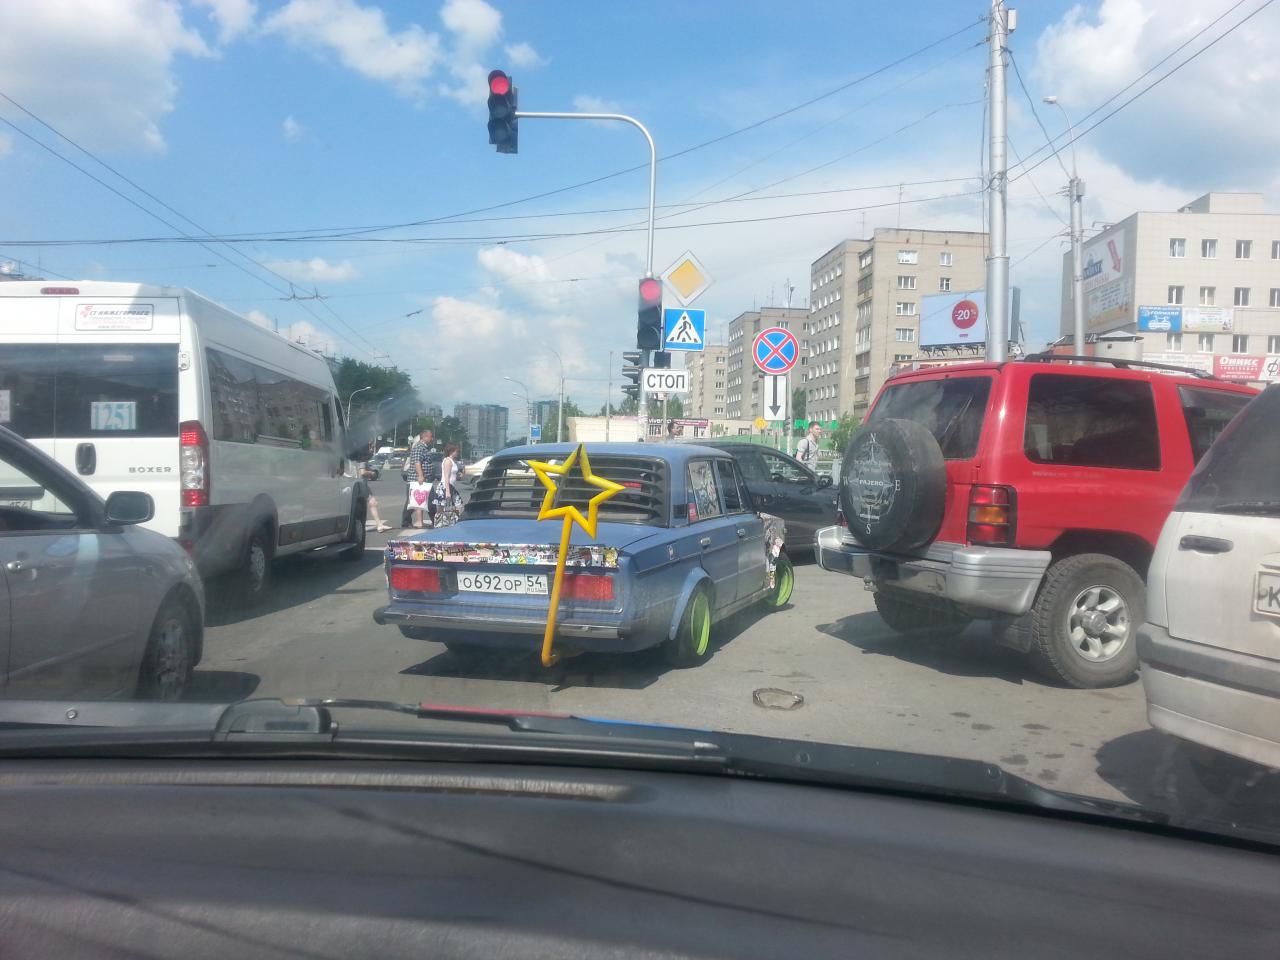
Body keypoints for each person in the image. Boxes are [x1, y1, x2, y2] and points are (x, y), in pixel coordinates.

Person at [403, 428, 439, 529]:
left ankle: (435, 521)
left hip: (426, 480)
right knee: (413, 501)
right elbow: (417, 462)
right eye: (431, 436)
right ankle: (406, 522)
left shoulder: (424, 447)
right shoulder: (419, 447)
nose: (432, 439)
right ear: (424, 437)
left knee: (430, 500)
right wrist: (420, 476)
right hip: (418, 480)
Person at [431, 443, 464, 529]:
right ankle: (439, 525)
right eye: (456, 451)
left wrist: (459, 476)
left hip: (451, 486)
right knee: (441, 508)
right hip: (445, 487)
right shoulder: (447, 461)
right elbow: (446, 476)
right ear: (451, 451)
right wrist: (447, 491)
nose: (457, 453)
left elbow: (453, 475)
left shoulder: (453, 461)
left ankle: (455, 523)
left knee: (459, 505)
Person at [359, 465, 391, 532]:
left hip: (354, 484)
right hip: (361, 484)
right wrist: (371, 473)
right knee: (372, 502)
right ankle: (379, 525)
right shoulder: (362, 459)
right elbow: (362, 472)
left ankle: (379, 525)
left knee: (372, 503)